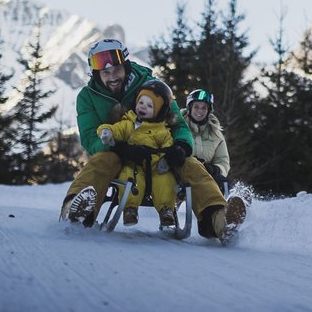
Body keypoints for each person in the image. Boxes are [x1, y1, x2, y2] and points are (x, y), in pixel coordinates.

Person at [59, 38, 246, 241]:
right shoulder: (88, 96)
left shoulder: (152, 87)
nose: (112, 76)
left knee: (192, 165)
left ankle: (220, 220)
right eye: (105, 73)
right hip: (119, 156)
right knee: (102, 161)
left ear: (126, 67)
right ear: (97, 74)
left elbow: (179, 125)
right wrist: (118, 147)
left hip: (160, 154)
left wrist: (181, 147)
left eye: (117, 70)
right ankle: (75, 210)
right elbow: (89, 138)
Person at [96, 79, 178, 227]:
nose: (143, 107)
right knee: (129, 178)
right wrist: (107, 131)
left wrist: (166, 159)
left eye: (149, 105)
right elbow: (117, 130)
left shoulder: (162, 130)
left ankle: (166, 210)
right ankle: (130, 209)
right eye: (141, 102)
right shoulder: (129, 123)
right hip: (134, 164)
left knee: (165, 180)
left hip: (156, 166)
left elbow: (168, 145)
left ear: (159, 111)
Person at [181, 89, 230, 192]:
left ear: (209, 110)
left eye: (204, 108)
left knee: (223, 182)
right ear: (189, 108)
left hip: (206, 176)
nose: (200, 111)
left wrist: (215, 169)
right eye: (196, 107)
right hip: (181, 174)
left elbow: (222, 160)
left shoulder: (216, 134)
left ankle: (235, 202)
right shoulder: (178, 127)